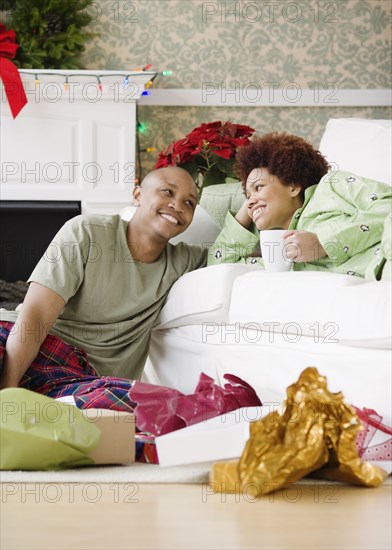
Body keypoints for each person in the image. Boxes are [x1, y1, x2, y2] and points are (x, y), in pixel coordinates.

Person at [0, 166, 208, 398]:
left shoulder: (185, 260)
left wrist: (252, 203)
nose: (178, 206)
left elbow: (231, 251)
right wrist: (7, 393)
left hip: (88, 379)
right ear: (137, 195)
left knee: (143, 407)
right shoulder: (86, 233)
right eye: (168, 192)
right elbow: (35, 315)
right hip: (31, 348)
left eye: (189, 203)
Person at [208, 132, 391, 280]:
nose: (250, 201)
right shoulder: (277, 257)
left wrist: (324, 243)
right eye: (247, 195)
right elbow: (218, 267)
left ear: (293, 186)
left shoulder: (332, 186)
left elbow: (387, 204)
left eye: (259, 187)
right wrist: (248, 209)